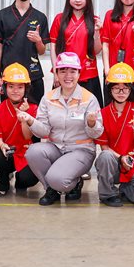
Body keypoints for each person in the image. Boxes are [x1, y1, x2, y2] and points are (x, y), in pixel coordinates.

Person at [23, 52, 103, 205]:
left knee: (58, 179)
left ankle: (75, 182)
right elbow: (44, 131)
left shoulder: (89, 99)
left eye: (73, 71)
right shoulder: (48, 98)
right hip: (56, 148)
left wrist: (92, 124)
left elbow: (97, 133)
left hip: (81, 150)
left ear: (79, 74)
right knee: (33, 152)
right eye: (63, 71)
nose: (68, 76)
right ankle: (51, 190)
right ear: (57, 73)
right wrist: (30, 121)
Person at [95, 63, 134, 207]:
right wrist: (121, 158)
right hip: (114, 163)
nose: (121, 92)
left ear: (132, 88)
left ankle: (124, 190)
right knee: (105, 157)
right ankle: (107, 194)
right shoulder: (103, 113)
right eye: (116, 87)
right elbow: (104, 147)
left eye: (125, 88)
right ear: (110, 89)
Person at [0, 0, 49, 104]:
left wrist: (38, 41)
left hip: (33, 76)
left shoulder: (40, 17)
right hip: (9, 77)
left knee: (33, 113)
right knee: (9, 114)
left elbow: (41, 51)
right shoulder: (2, 15)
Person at [0, 63, 41, 196]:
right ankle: (4, 180)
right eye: (11, 86)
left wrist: (24, 117)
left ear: (26, 88)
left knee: (29, 178)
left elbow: (28, 137)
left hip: (25, 152)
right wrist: (2, 146)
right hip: (7, 151)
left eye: (20, 87)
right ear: (5, 87)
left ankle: (20, 181)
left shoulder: (33, 108)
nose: (15, 91)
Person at [50, 0, 103, 103]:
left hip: (88, 73)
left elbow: (97, 51)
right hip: (65, 74)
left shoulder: (94, 20)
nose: (78, 0)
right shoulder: (59, 19)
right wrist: (56, 72)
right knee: (60, 109)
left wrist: (97, 31)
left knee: (91, 110)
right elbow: (53, 47)